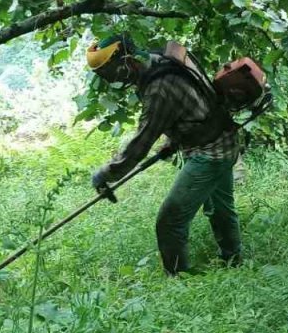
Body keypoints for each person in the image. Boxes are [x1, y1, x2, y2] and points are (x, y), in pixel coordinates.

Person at [86, 35, 242, 275]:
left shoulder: (158, 89)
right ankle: (234, 262)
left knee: (169, 221)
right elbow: (190, 104)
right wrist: (172, 142)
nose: (114, 78)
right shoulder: (159, 60)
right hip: (223, 138)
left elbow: (141, 143)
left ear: (127, 60)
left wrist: (106, 174)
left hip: (210, 152)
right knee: (220, 209)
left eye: (112, 70)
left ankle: (178, 279)